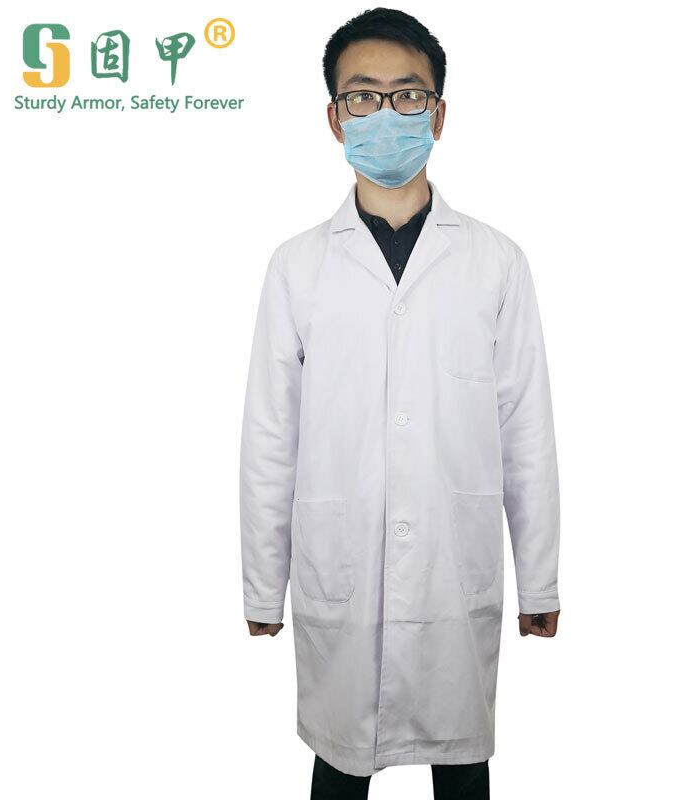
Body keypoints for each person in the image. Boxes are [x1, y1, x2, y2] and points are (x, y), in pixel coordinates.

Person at [239, 7, 561, 798]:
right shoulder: (297, 267)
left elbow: (525, 430)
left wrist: (540, 580)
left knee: (462, 764)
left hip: (456, 566)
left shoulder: (495, 262)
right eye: (362, 96)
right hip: (338, 567)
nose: (385, 113)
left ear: (438, 114)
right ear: (335, 118)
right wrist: (262, 582)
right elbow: (271, 436)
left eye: (407, 95)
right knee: (339, 762)